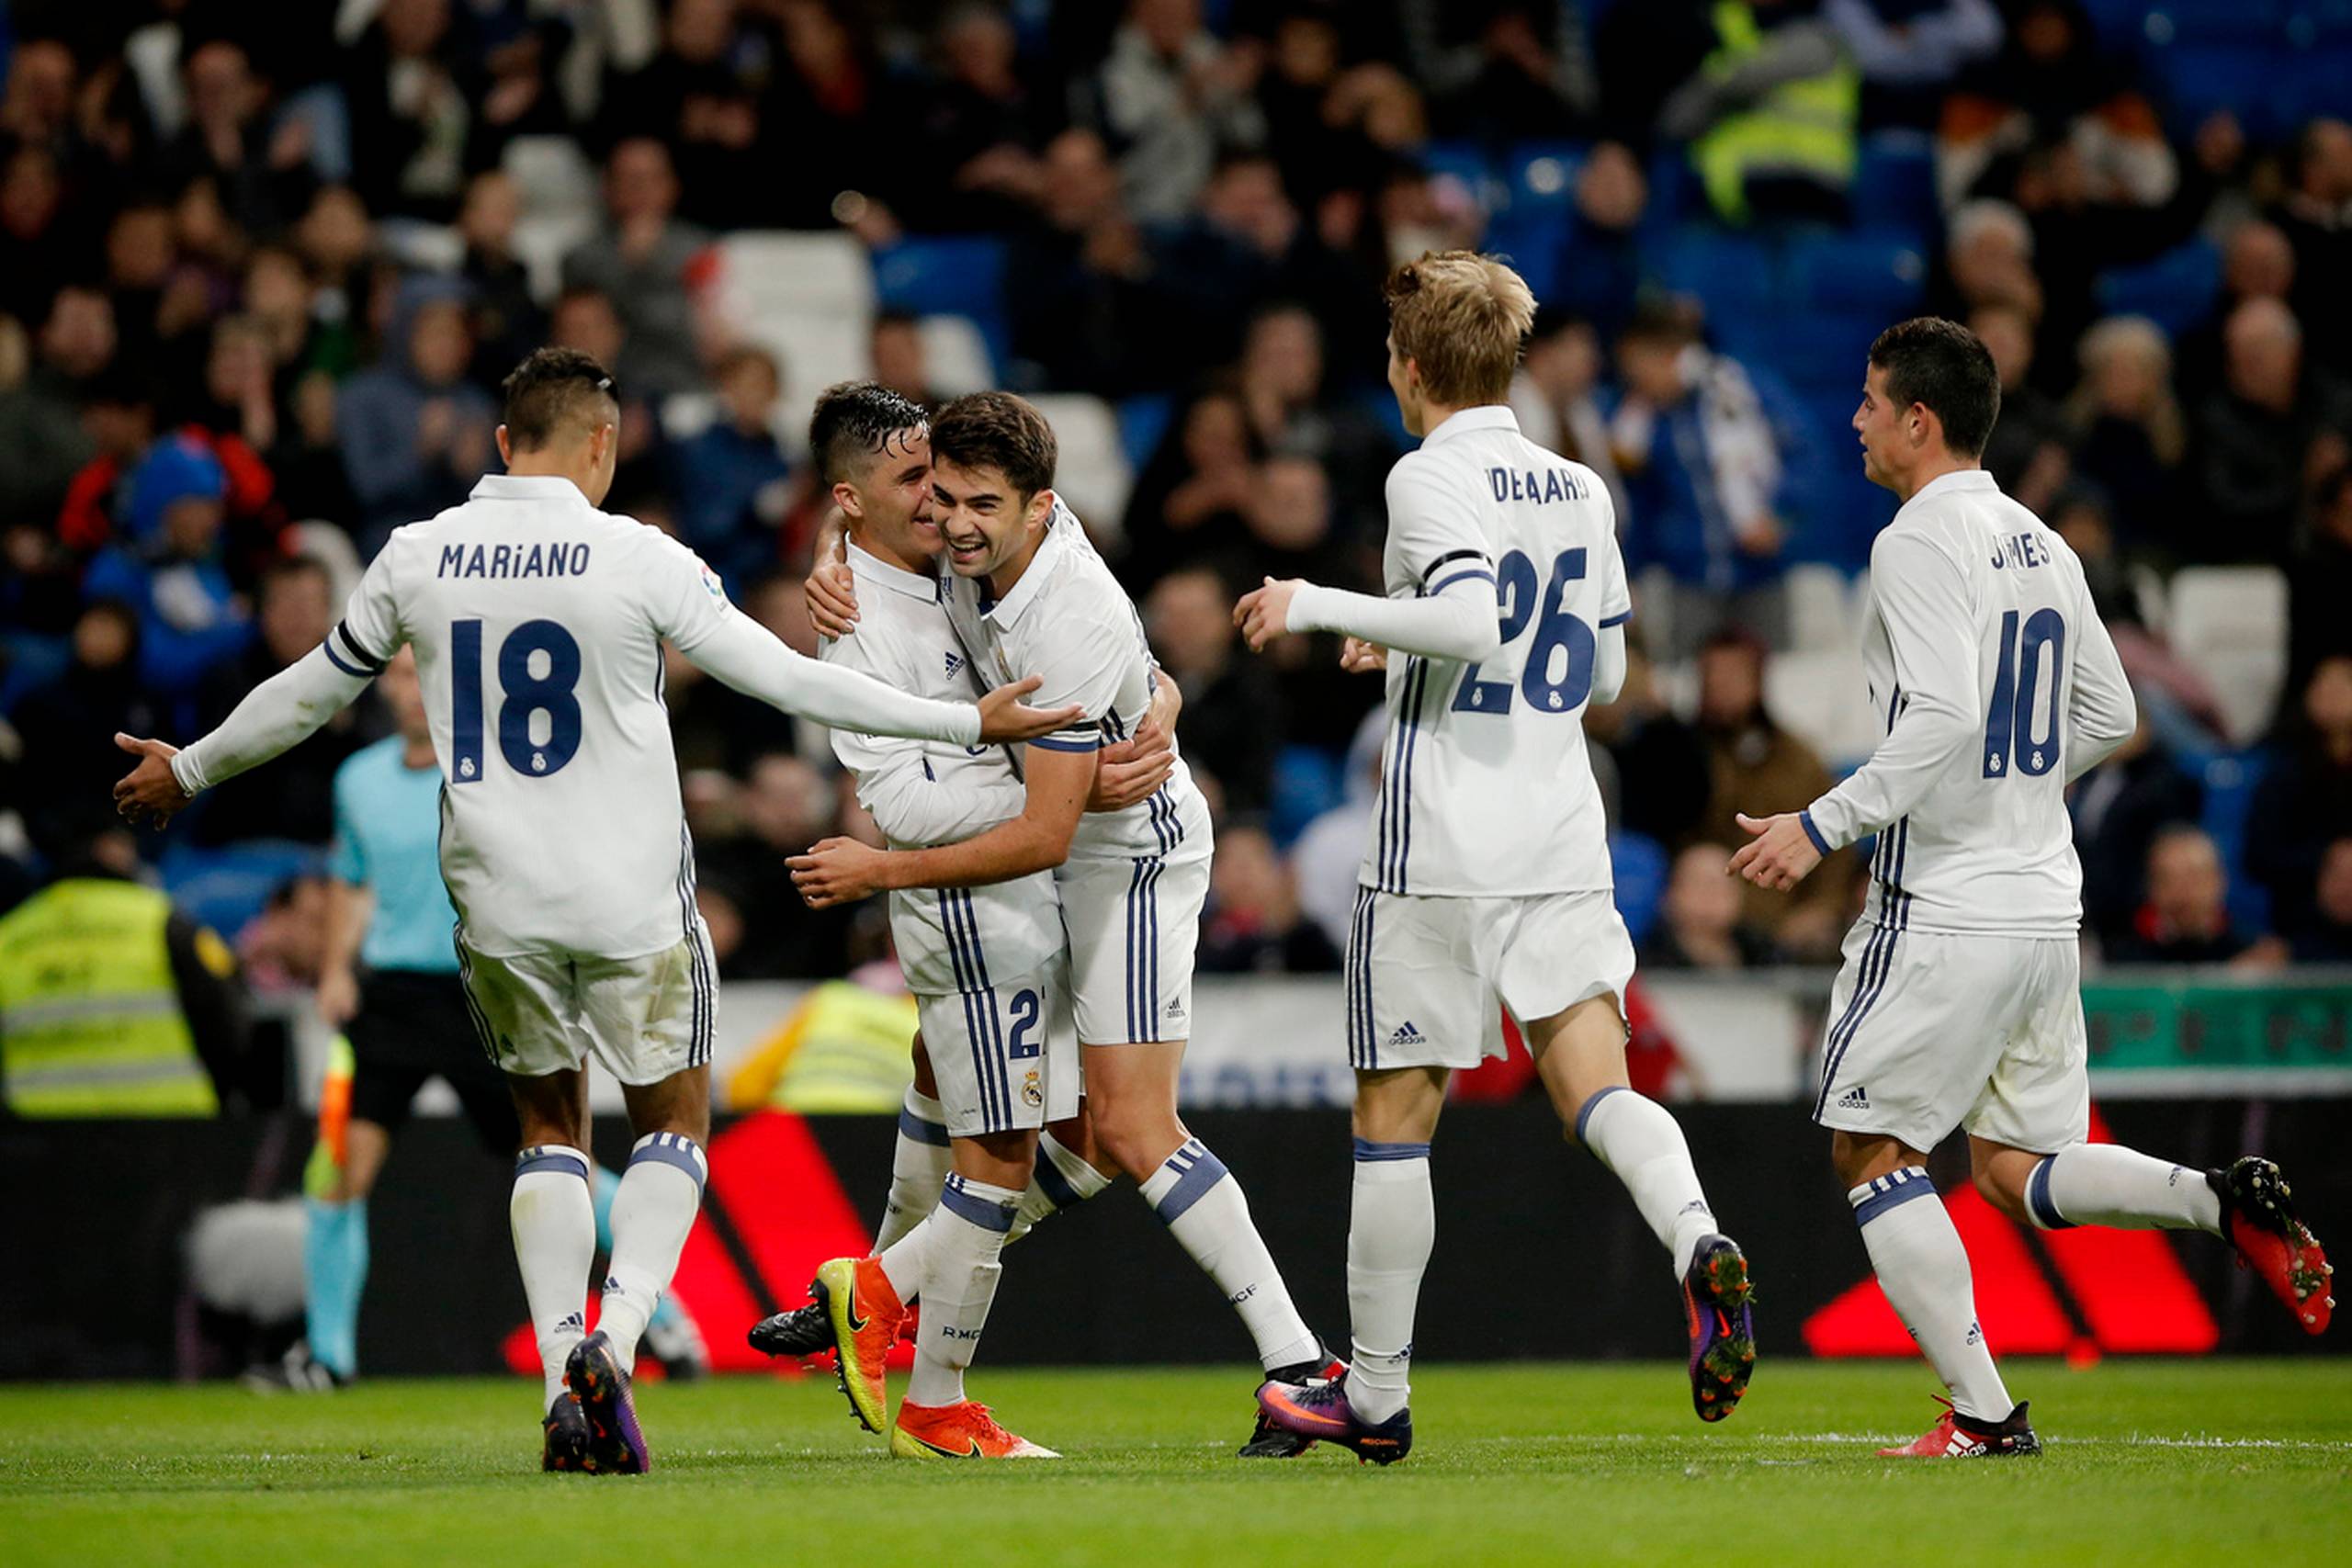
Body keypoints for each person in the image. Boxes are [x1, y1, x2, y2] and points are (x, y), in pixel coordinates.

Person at [109, 347, 1082, 1474]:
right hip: (628, 901)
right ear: (602, 447)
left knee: (546, 1130)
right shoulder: (636, 555)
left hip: (498, 905)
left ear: (500, 443)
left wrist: (190, 770)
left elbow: (310, 692)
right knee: (672, 1121)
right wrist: (968, 727)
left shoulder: (416, 556)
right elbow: (786, 678)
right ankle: (614, 1341)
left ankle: (560, 1358)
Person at [1730, 317, 2333, 1461]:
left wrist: (1823, 823)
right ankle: (2216, 1201)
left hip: (1943, 907)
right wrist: (2010, 791)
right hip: (2043, 907)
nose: (1854, 419)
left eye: (1868, 401)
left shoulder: (1914, 540)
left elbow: (1948, 717)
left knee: (1871, 1150)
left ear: (1918, 419)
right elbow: (2110, 715)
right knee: (2014, 1171)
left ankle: (1982, 1415)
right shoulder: (2041, 540)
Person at [1235, 252, 1756, 1463]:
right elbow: (1611, 674)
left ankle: (1373, 1393)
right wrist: (1407, 642)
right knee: (1598, 1083)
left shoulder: (1427, 475)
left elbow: (1471, 619)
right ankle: (1696, 1238)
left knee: (1395, 1118)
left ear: (1409, 367)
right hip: (1564, 833)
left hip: (1443, 843)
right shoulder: (1579, 484)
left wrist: (1324, 604)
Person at [786, 391, 1340, 1449]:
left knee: (1125, 1127)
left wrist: (884, 870)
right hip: (1047, 864)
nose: (951, 520)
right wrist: (834, 538)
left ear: (1040, 507)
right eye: (934, 493)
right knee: (1070, 1134)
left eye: (973, 503)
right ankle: (889, 1307)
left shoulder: (1059, 606)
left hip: (1126, 857)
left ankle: (1299, 1364)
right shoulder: (918, 569)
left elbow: (1047, 827)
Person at [279, 647, 710, 1392]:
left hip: (482, 987)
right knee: (337, 1167)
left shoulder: (495, 771)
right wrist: (335, 971)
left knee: (556, 1156)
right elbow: (352, 883)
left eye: (424, 673)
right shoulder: (360, 781)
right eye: (401, 675)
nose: (410, 690)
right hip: (391, 1001)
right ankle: (327, 1357)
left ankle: (663, 1319)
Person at [0, 818, 246, 1116]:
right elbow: (228, 1017)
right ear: (109, 849)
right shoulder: (162, 920)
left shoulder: (10, 935)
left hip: (42, 1136)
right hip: (170, 1127)